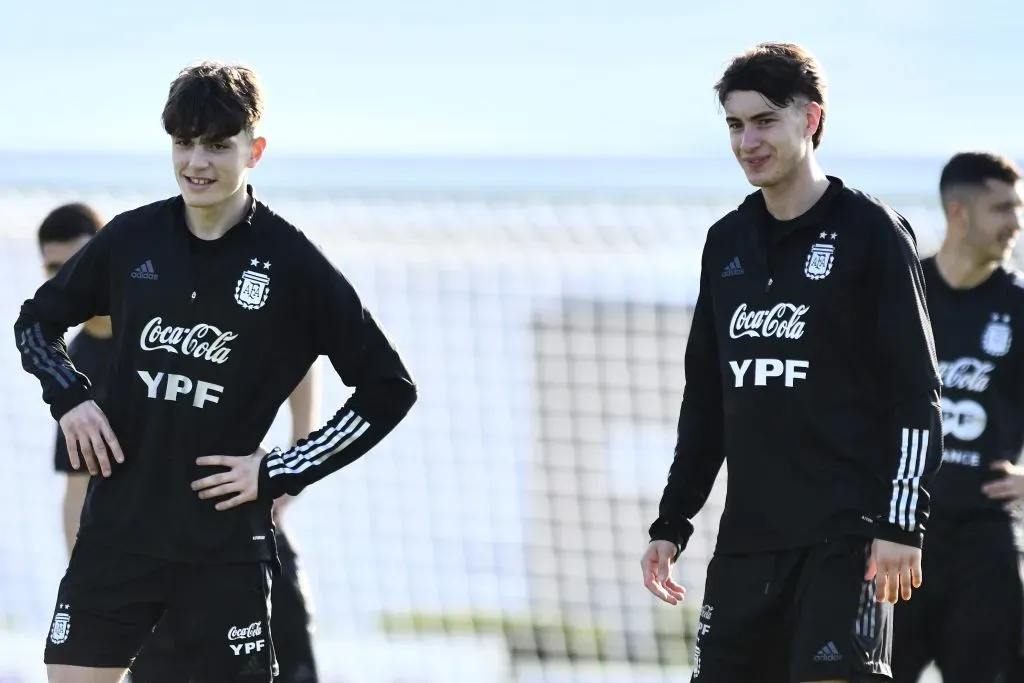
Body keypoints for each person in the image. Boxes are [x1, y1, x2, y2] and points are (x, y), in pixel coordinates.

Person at [14, 60, 417, 683]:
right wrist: (70, 398)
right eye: (184, 143)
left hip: (221, 551)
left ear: (254, 151)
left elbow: (388, 387)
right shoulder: (130, 240)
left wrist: (286, 467)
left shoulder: (292, 263)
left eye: (217, 145)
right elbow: (34, 324)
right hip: (118, 536)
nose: (196, 163)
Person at [640, 42, 943, 683]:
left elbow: (916, 393)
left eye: (765, 121)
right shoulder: (726, 241)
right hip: (749, 541)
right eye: (734, 124)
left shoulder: (872, 233)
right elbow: (707, 401)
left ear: (810, 120)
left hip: (848, 536)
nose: (747, 141)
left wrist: (901, 522)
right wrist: (673, 520)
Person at [37, 203, 325, 683]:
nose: (69, 273)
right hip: (145, 568)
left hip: (237, 548)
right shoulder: (75, 366)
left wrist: (296, 460)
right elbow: (77, 491)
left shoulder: (173, 301)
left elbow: (294, 343)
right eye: (53, 266)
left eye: (79, 257)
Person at [890, 151, 1024, 683]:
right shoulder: (902, 294)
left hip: (983, 544)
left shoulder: (1018, 308)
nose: (1016, 223)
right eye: (1003, 209)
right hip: (896, 539)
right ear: (959, 212)